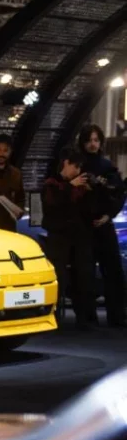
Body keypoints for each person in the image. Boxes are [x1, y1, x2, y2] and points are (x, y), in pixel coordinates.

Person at [77, 123, 126, 327]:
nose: (92, 144)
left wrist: (108, 216)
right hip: (83, 225)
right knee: (85, 272)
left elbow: (119, 193)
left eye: (96, 140)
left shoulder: (107, 166)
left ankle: (116, 315)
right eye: (89, 140)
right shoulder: (76, 165)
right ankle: (88, 317)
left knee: (113, 270)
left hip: (103, 223)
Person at [42, 146, 94, 330]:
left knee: (83, 275)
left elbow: (88, 210)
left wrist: (90, 191)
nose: (78, 172)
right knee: (59, 276)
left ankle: (83, 317)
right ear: (66, 163)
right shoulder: (52, 184)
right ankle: (53, 316)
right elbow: (51, 205)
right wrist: (70, 187)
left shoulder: (79, 186)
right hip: (59, 235)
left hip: (78, 236)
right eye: (76, 167)